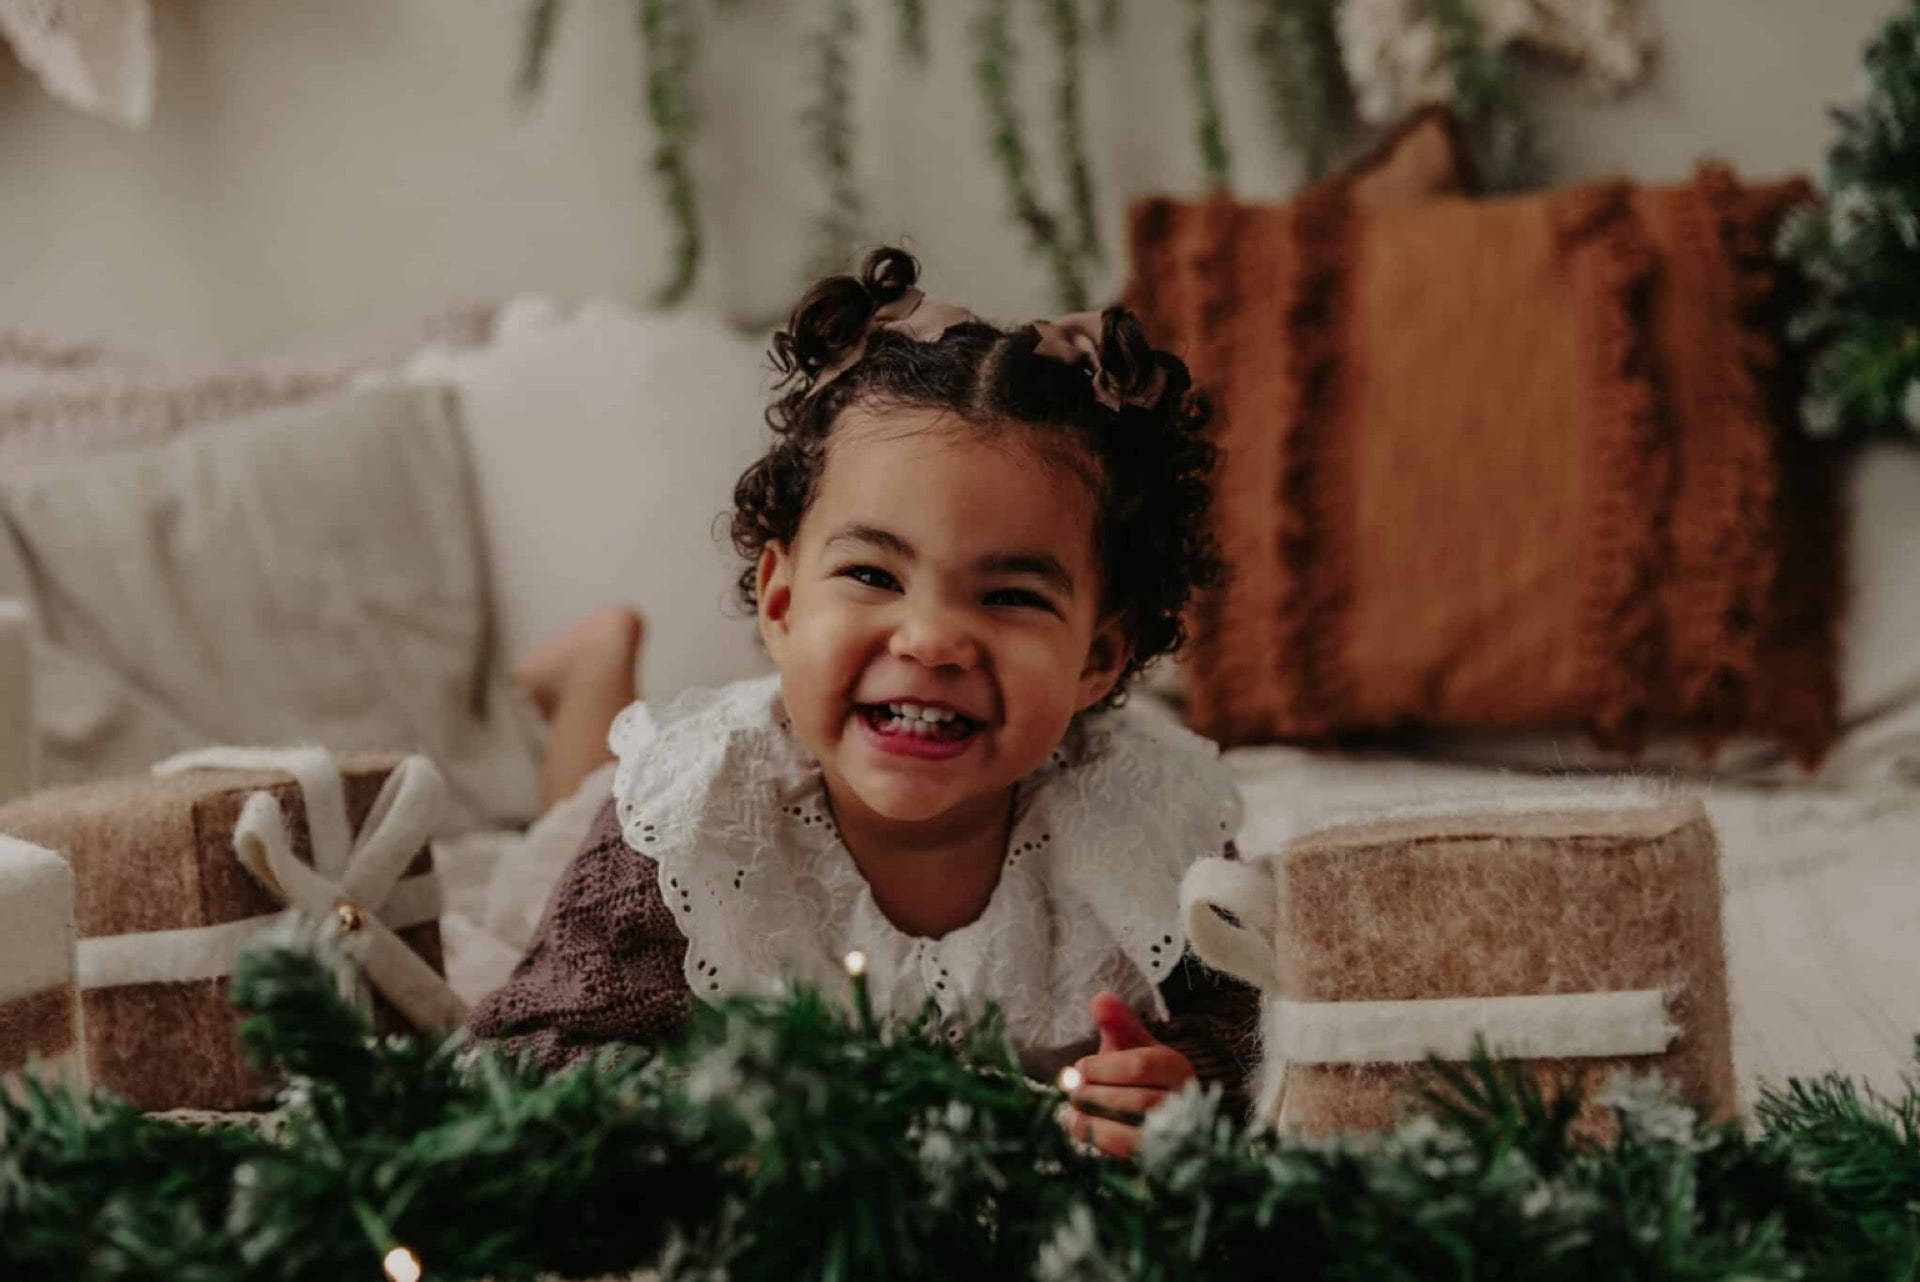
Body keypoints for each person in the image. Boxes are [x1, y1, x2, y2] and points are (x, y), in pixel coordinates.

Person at [470, 247, 1259, 1159]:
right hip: (604, 848)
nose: (929, 639)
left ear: (1099, 657)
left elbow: (1246, 1025)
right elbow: (527, 1050)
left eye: (1008, 596)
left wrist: (1182, 1087)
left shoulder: (1151, 823)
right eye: (873, 574)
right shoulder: (685, 820)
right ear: (782, 603)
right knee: (574, 803)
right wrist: (727, 1109)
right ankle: (591, 671)